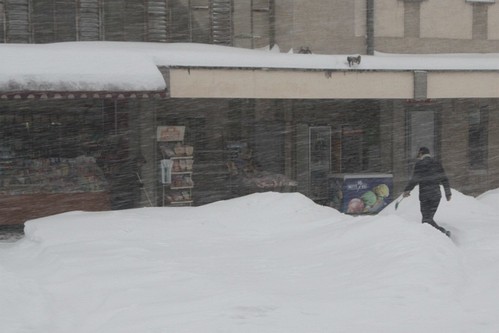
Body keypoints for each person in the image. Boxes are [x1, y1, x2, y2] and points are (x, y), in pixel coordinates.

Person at [403, 147, 452, 236]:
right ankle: (434, 237)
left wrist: (407, 189)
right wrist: (447, 192)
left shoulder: (420, 164)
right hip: (436, 195)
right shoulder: (437, 163)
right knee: (428, 219)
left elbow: (415, 179)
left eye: (418, 154)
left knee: (426, 220)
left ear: (421, 153)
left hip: (425, 195)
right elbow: (444, 178)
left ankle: (443, 233)